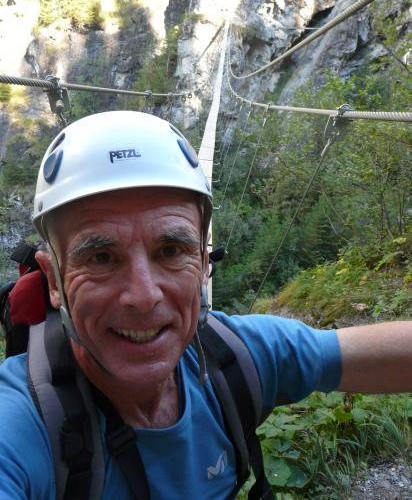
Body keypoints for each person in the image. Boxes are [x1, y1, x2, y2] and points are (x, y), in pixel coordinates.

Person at [0, 111, 410, 499]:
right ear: (54, 279)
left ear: (201, 261)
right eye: (101, 258)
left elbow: (351, 353)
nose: (144, 297)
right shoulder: (21, 425)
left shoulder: (234, 361)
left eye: (171, 249)